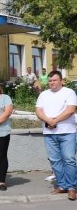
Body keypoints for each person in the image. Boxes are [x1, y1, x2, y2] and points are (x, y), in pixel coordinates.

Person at [35, 71, 77, 200]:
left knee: (69, 159)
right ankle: (62, 185)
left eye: (54, 80)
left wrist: (55, 120)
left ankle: (71, 187)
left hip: (67, 132)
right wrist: (48, 120)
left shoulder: (69, 92)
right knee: (55, 160)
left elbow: (71, 109)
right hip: (49, 133)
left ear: (61, 81)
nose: (52, 83)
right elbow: (38, 111)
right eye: (50, 81)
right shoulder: (43, 94)